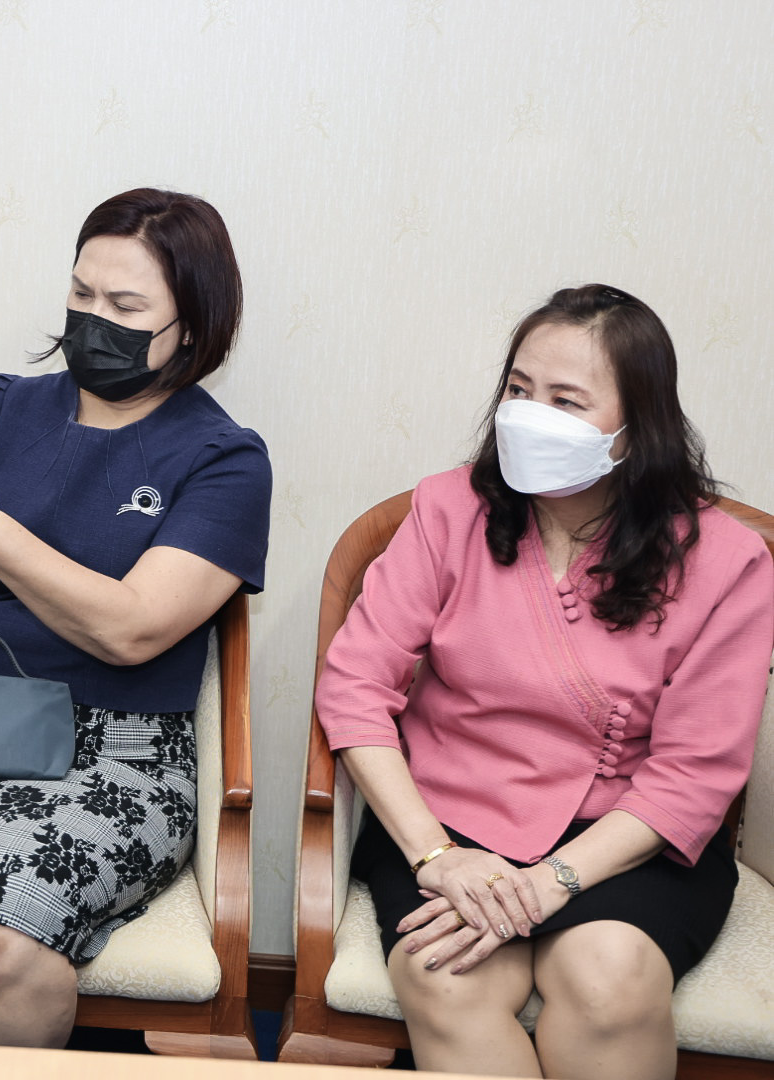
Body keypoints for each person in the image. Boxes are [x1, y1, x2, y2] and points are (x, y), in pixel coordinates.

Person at [0, 188, 272, 1047]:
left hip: (119, 759)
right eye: (81, 293)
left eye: (126, 306)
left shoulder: (224, 460)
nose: (93, 319)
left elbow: (131, 629)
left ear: (193, 326)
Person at [316, 284, 773, 1078]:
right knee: (444, 976)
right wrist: (435, 856)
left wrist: (551, 883)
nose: (530, 417)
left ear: (638, 427)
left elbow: (696, 772)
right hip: (448, 824)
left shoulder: (726, 561)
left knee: (608, 981)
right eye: (519, 391)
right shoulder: (448, 509)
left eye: (566, 401)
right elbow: (354, 688)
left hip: (627, 842)